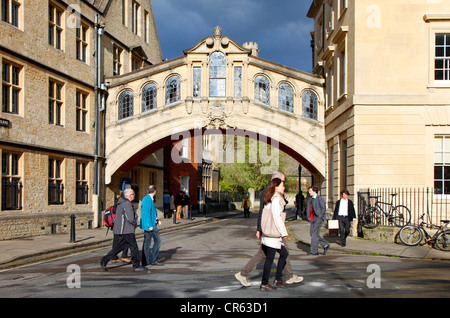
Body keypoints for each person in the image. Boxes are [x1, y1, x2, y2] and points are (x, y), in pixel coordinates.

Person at [234, 171, 303, 287]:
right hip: (272, 230)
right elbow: (263, 213)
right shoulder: (269, 192)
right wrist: (259, 229)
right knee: (282, 253)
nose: (284, 184)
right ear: (276, 182)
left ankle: (244, 273)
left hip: (271, 230)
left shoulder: (272, 191)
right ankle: (286, 277)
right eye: (282, 181)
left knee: (263, 253)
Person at [100, 189, 147, 272]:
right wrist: (135, 224)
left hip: (121, 230)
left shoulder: (121, 202)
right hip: (126, 230)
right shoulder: (127, 204)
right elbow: (130, 218)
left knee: (119, 247)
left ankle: (104, 260)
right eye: (133, 194)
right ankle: (136, 266)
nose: (134, 195)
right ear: (129, 195)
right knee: (134, 248)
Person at [260, 178, 289, 291]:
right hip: (273, 234)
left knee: (283, 254)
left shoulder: (272, 197)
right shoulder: (276, 198)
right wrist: (284, 232)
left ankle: (277, 279)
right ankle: (264, 283)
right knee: (270, 259)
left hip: (270, 234)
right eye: (282, 185)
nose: (284, 187)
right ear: (276, 187)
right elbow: (277, 217)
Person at [141, 185, 164, 266]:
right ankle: (153, 259)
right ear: (155, 191)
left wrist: (157, 220)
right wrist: (149, 225)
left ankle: (146, 260)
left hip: (151, 224)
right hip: (150, 226)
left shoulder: (148, 199)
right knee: (157, 241)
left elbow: (151, 213)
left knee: (147, 243)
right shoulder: (147, 200)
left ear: (147, 191)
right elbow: (146, 214)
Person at [307, 186, 329, 255]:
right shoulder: (310, 199)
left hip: (319, 218)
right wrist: (309, 218)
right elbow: (309, 209)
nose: (309, 192)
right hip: (313, 218)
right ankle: (325, 244)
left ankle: (314, 251)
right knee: (312, 233)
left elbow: (323, 208)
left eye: (310, 191)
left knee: (314, 235)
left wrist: (320, 216)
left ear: (314, 191)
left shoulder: (320, 198)